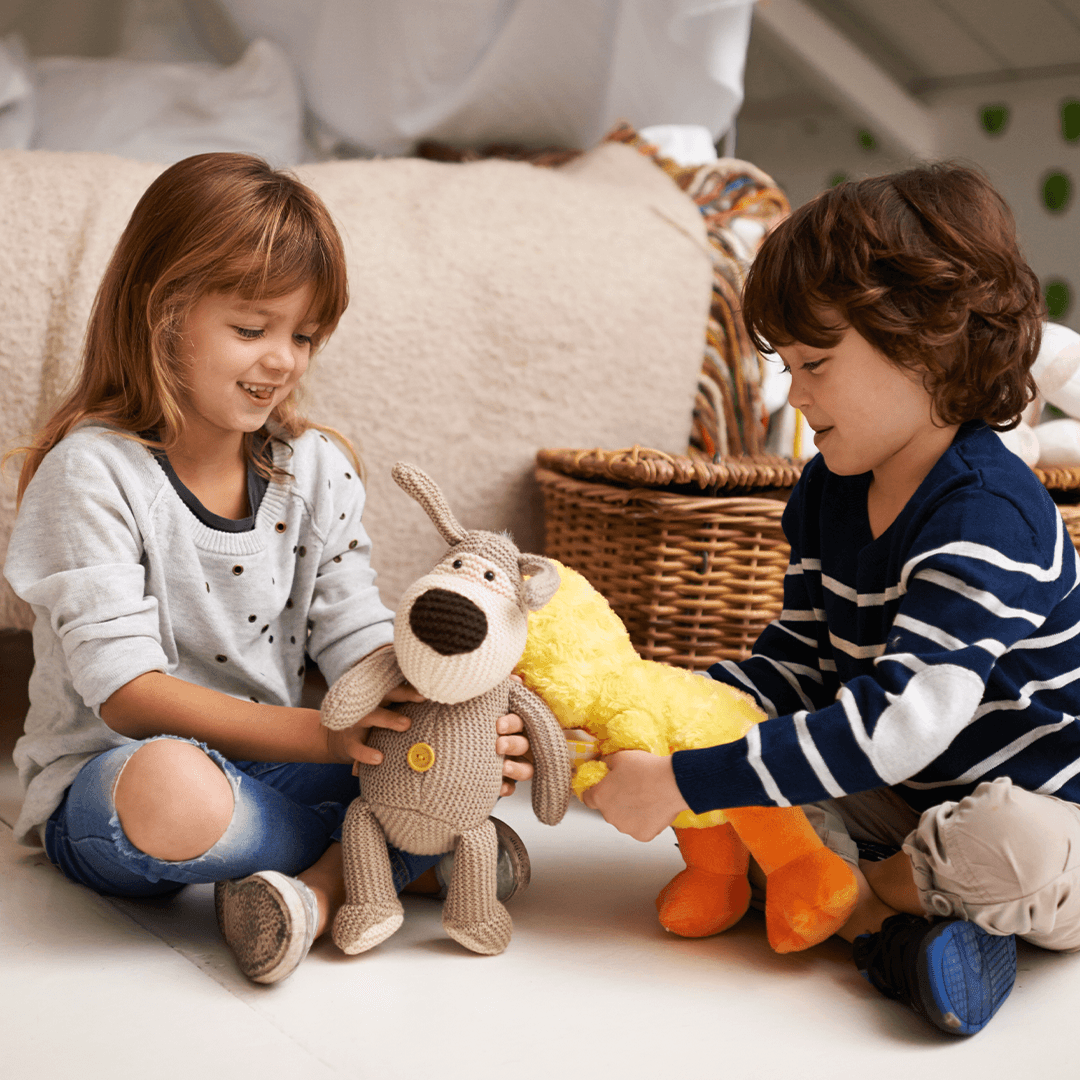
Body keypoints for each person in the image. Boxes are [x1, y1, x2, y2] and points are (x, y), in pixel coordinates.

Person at [2, 152, 533, 985]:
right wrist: (331, 738)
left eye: (304, 336)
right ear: (160, 314)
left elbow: (356, 632)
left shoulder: (315, 469)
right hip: (117, 779)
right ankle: (387, 861)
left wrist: (446, 716)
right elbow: (127, 693)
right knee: (176, 789)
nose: (283, 360)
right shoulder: (91, 474)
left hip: (280, 766)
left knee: (445, 755)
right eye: (252, 330)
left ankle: (316, 894)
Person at [583, 163, 1080, 1036]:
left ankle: (860, 908)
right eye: (785, 365)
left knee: (1015, 843)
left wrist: (682, 780)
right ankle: (891, 927)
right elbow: (798, 662)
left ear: (928, 344)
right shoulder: (829, 488)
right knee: (752, 786)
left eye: (815, 363)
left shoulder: (987, 513)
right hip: (900, 801)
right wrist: (662, 713)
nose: (794, 393)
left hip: (1042, 812)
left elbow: (899, 724)